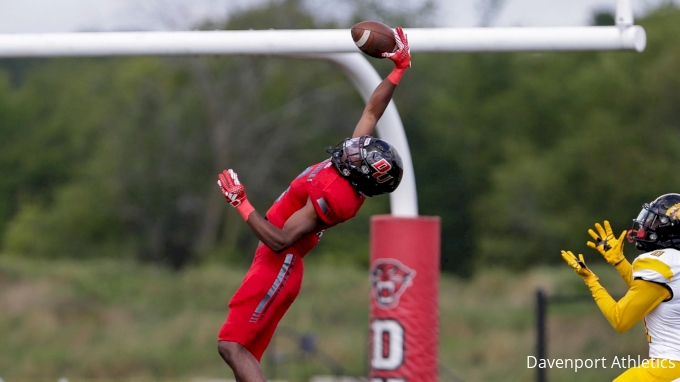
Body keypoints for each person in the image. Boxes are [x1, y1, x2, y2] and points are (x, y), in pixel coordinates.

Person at [214, 27, 411, 382]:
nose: (350, 149)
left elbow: (279, 240)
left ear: (360, 174)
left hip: (279, 263)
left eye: (356, 154)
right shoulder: (350, 174)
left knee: (231, 346)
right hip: (276, 263)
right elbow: (371, 112)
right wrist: (398, 70)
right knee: (242, 353)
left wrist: (240, 202)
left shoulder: (336, 196)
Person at [561, 193, 680, 381]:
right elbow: (646, 294)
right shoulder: (674, 263)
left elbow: (621, 319)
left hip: (667, 368)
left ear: (670, 228)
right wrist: (619, 262)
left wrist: (591, 281)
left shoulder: (661, 263)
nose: (647, 225)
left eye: (656, 221)